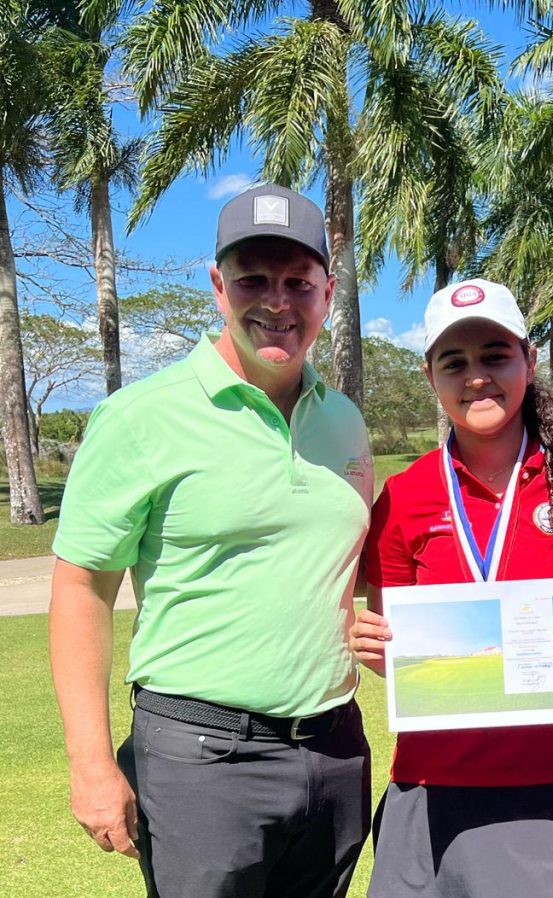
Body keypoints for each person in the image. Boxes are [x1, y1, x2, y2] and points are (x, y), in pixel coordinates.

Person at [49, 183, 375, 897]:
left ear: (327, 290)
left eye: (298, 282)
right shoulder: (140, 418)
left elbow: (350, 573)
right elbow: (81, 589)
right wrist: (91, 764)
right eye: (254, 279)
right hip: (202, 757)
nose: (278, 302)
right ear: (218, 286)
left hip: (335, 748)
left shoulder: (344, 420)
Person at [350, 278, 553, 898]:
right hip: (441, 783)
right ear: (430, 376)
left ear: (529, 359)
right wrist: (377, 646)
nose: (477, 377)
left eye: (495, 355)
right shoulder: (405, 497)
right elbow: (396, 648)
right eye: (454, 362)